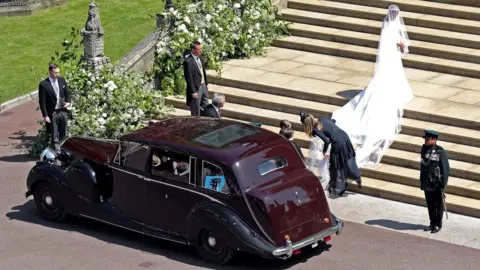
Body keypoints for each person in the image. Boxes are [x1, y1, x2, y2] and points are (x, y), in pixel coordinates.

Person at [331, 5, 413, 169]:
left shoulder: (395, 25)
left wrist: (401, 45)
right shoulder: (387, 27)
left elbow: (402, 44)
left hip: (394, 57)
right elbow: (385, 44)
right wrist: (396, 44)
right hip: (388, 58)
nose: (395, 16)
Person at [301, 112, 362, 196]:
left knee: (336, 166)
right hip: (344, 136)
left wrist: (324, 150)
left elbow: (327, 140)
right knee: (348, 158)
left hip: (337, 142)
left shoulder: (315, 129)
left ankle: (338, 188)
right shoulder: (323, 119)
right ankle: (357, 176)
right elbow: (334, 120)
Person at [420, 130, 450, 234]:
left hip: (436, 183)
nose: (426, 141)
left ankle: (438, 224)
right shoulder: (424, 149)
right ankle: (432, 223)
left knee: (438, 205)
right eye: (425, 139)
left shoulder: (440, 152)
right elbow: (423, 166)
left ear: (434, 140)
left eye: (428, 139)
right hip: (427, 182)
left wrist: (443, 183)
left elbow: (445, 169)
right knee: (430, 204)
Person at [38, 63, 71, 150]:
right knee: (55, 133)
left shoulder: (62, 80)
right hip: (52, 112)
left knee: (64, 131)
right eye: (55, 73)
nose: (57, 74)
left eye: (58, 72)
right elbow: (42, 102)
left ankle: (64, 148)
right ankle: (56, 150)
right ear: (50, 72)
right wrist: (45, 115)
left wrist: (68, 103)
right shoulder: (44, 85)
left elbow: (67, 94)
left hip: (62, 110)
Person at [183, 40, 209, 116]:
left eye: (201, 49)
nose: (201, 51)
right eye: (199, 49)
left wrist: (206, 83)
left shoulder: (200, 58)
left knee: (205, 104)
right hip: (196, 88)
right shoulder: (188, 62)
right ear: (193, 50)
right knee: (196, 108)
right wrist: (193, 92)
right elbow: (189, 78)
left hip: (203, 85)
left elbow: (203, 72)